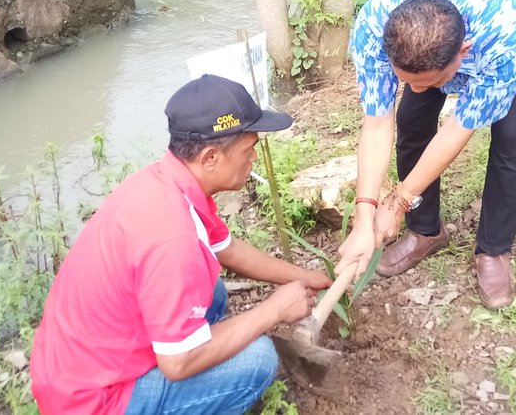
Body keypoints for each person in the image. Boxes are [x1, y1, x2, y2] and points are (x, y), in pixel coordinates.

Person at [30, 75, 332, 415]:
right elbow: (178, 363)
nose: (254, 159)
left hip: (75, 366)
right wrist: (273, 311)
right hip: (92, 401)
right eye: (248, 150)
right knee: (258, 359)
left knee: (213, 292)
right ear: (210, 157)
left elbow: (229, 250)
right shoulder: (173, 239)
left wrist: (303, 276)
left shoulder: (167, 182)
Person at [336, 0, 516, 309]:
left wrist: (398, 201)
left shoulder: (504, 37)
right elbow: (376, 123)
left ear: (464, 52)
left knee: (510, 132)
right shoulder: (374, 27)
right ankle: (426, 231)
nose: (418, 89)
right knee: (412, 116)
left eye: (431, 81)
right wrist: (364, 217)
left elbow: (460, 126)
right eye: (408, 80)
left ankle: (493, 250)